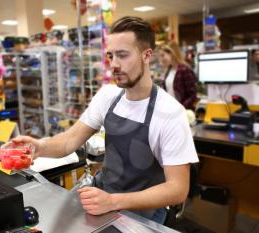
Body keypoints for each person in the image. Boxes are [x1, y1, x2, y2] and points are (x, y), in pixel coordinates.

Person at [12, 16, 198, 224]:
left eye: (123, 55)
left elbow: (177, 189)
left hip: (143, 213)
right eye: (110, 56)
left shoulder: (170, 113)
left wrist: (113, 201)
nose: (114, 65)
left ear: (147, 55)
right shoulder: (108, 96)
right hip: (102, 195)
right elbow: (69, 140)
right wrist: (39, 147)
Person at [158, 43, 197, 110]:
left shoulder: (185, 70)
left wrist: (181, 107)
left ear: (172, 53)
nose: (161, 59)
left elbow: (192, 96)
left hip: (182, 112)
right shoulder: (169, 70)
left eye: (163, 55)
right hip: (170, 111)